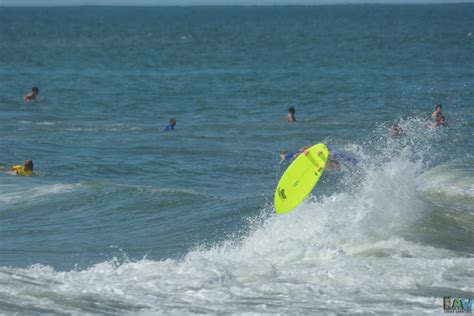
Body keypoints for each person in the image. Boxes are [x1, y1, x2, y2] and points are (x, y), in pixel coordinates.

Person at [279, 146, 344, 170]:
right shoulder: (303, 152)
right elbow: (298, 151)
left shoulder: (332, 155)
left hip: (331, 158)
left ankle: (323, 156)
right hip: (320, 158)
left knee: (333, 164)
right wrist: (286, 157)